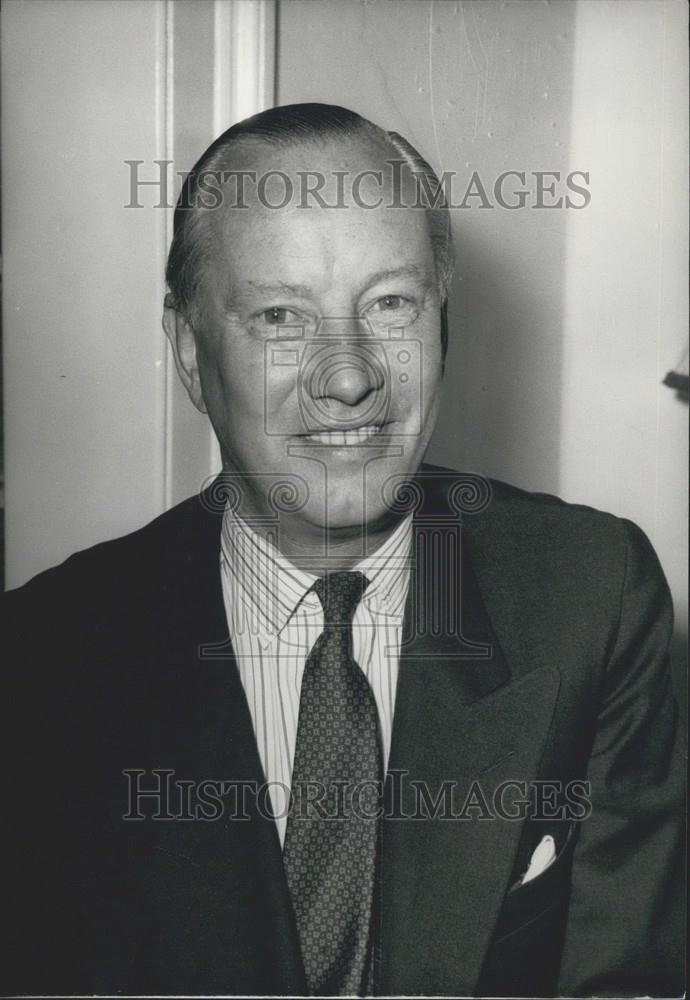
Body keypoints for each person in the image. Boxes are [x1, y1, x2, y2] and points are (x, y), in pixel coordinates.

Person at [1, 103, 684, 998]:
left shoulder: (591, 597)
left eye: (391, 304)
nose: (352, 375)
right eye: (282, 316)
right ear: (186, 350)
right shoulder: (44, 657)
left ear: (441, 323)